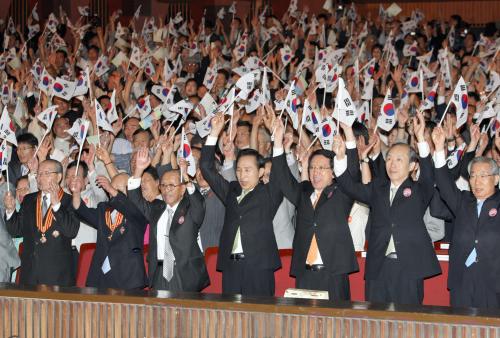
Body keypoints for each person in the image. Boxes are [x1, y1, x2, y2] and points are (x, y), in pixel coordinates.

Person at [333, 112, 441, 305]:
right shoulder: (377, 188)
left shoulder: (419, 190)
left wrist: (421, 138)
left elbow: (430, 176)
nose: (392, 164)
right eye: (389, 158)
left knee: (407, 322)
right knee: (376, 322)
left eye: (399, 160)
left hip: (409, 267)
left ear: (412, 166)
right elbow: (348, 186)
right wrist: (344, 149)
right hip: (378, 266)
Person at [272, 118, 359, 300]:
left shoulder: (342, 194)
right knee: (305, 326)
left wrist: (349, 137)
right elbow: (282, 177)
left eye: (321, 168)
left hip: (333, 273)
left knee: (334, 325)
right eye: (312, 168)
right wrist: (278, 142)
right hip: (305, 274)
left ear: (333, 172)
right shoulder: (303, 194)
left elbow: (353, 174)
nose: (315, 172)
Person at [200, 113, 283, 297]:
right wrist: (214, 132)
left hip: (259, 267)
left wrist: (277, 141)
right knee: (232, 320)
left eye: (247, 170)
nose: (242, 175)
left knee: (259, 318)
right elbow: (206, 168)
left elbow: (280, 174)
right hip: (231, 267)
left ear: (261, 172)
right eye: (239, 170)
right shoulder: (231, 189)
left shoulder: (268, 193)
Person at [432, 126, 500, 308]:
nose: (477, 181)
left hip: (493, 284)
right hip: (461, 281)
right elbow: (444, 184)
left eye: (483, 176)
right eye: (473, 176)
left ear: (496, 179)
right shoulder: (463, 201)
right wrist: (439, 148)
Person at [128, 149, 209, 292]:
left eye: (171, 186)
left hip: (184, 274)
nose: (166, 190)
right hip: (159, 272)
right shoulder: (156, 208)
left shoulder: (190, 209)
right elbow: (135, 200)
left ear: (182, 189)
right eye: (163, 186)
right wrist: (138, 171)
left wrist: (186, 179)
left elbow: (199, 203)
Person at [4, 159, 80, 286]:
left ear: (59, 176)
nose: (41, 177)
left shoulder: (69, 201)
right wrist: (10, 210)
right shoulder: (29, 200)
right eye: (39, 173)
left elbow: (71, 231)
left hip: (57, 274)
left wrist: (57, 206)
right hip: (30, 273)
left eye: (46, 173)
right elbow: (16, 230)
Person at [71, 171, 148, 290]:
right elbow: (82, 211)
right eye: (111, 187)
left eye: (117, 188)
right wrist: (76, 193)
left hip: (128, 276)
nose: (111, 191)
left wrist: (111, 189)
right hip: (101, 275)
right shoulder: (104, 209)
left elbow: (131, 209)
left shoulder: (139, 210)